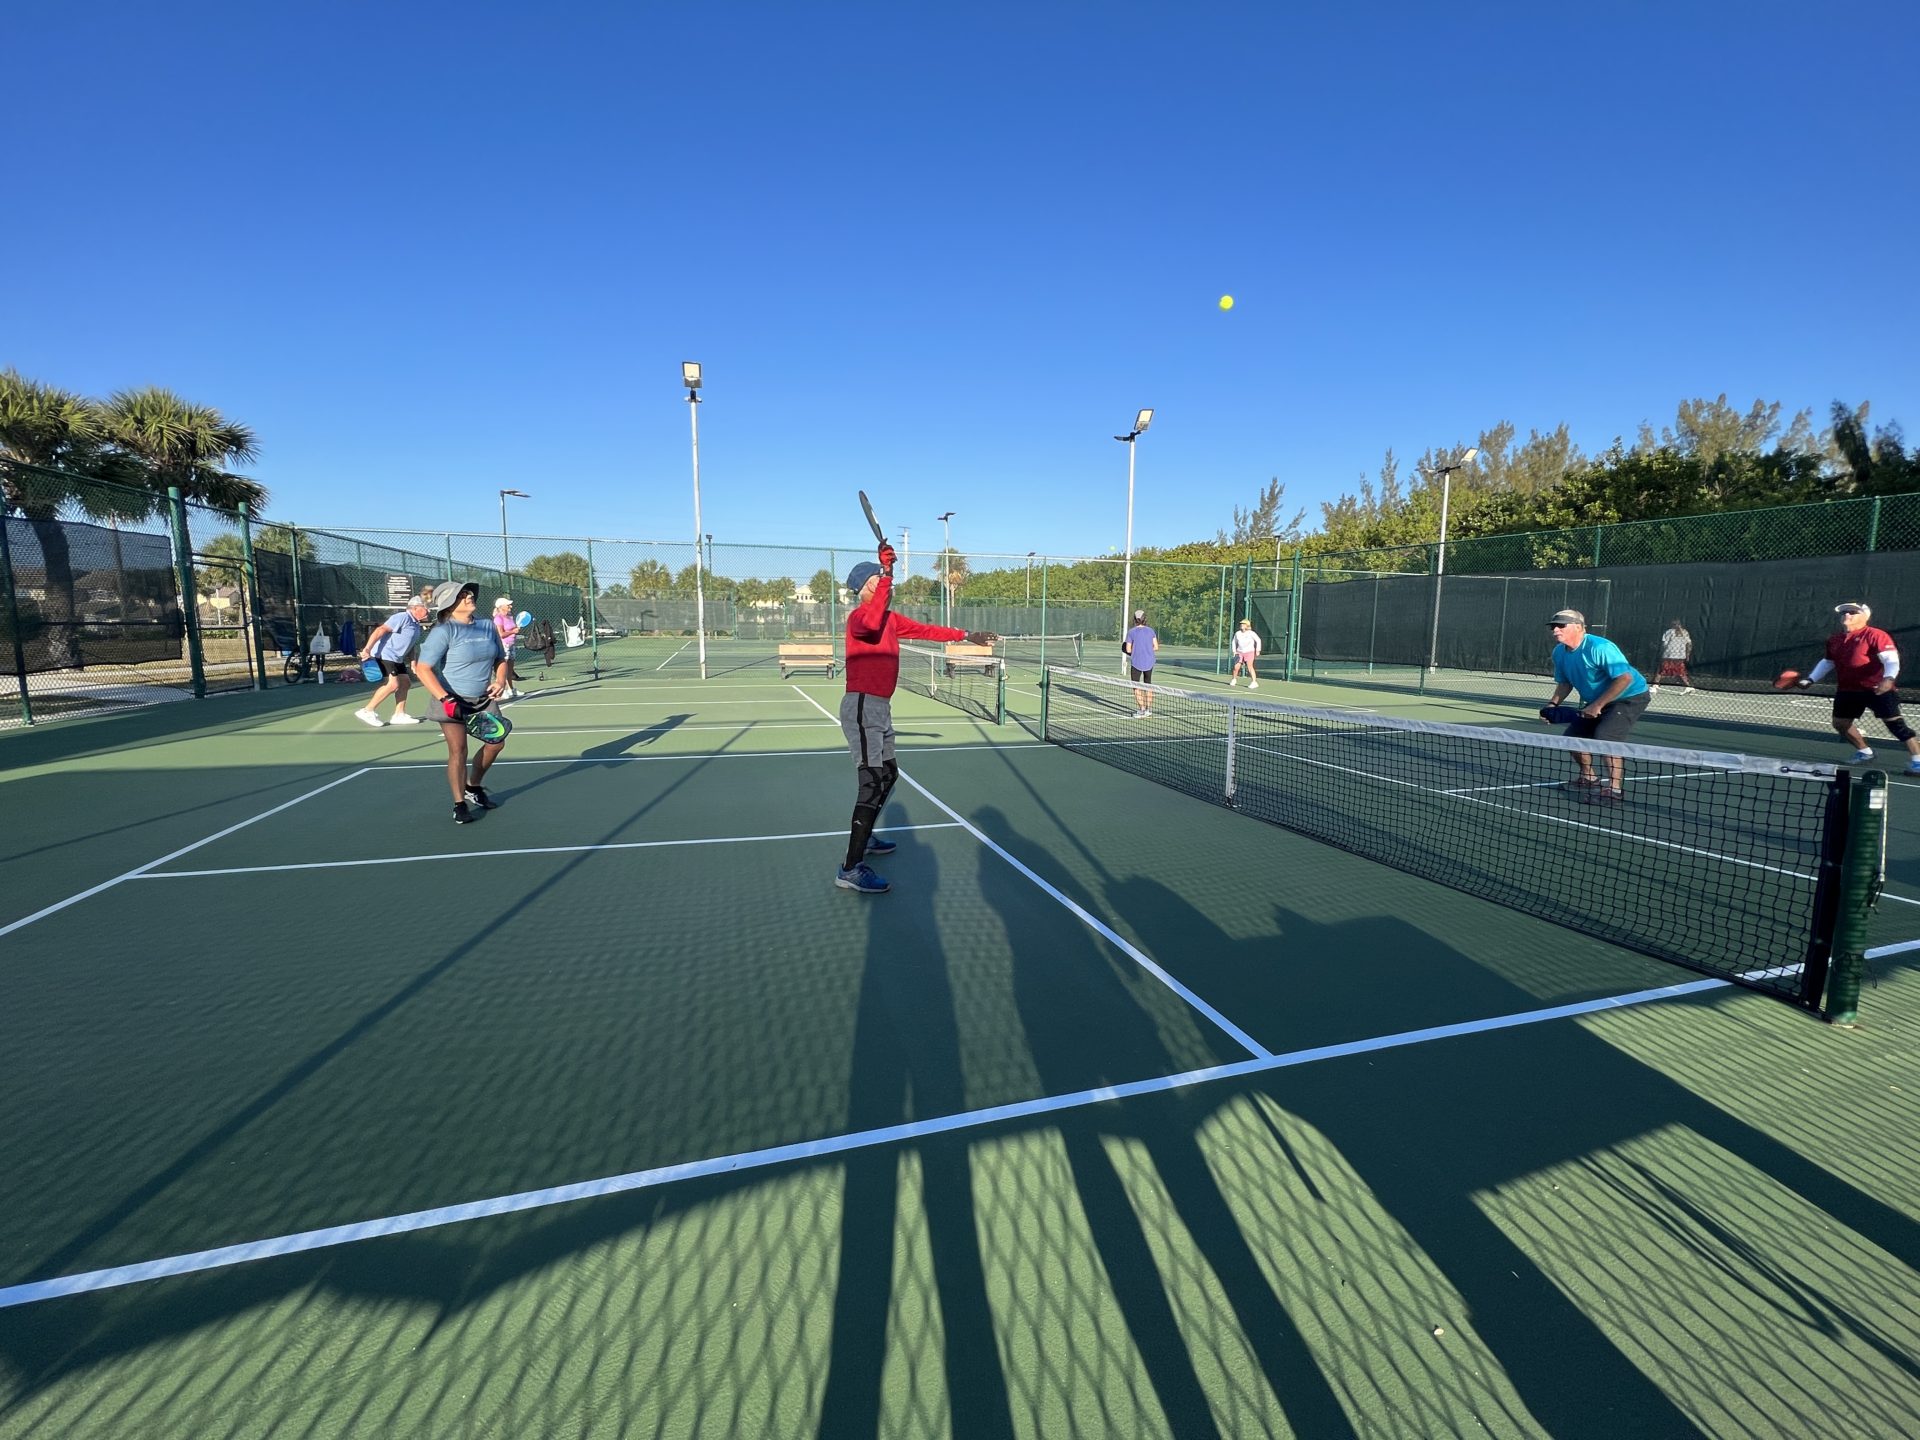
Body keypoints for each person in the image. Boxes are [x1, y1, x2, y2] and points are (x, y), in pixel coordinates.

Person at [835, 544, 998, 894]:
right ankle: (850, 868)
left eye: (884, 581)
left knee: (889, 774)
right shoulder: (860, 619)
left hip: (880, 707)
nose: (885, 586)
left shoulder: (890, 619)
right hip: (862, 705)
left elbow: (927, 631)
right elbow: (873, 617)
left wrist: (967, 635)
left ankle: (867, 838)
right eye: (877, 582)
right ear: (865, 589)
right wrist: (888, 574)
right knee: (871, 780)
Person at [414, 580, 512, 824]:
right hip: (450, 698)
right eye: (463, 595)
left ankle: (473, 785)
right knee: (458, 750)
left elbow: (500, 658)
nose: (469, 597)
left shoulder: (487, 626)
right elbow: (423, 669)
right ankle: (459, 804)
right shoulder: (443, 631)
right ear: (450, 605)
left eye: (469, 593)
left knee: (496, 743)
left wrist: (499, 680)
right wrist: (445, 698)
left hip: (483, 699)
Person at [1792, 601, 1920, 774]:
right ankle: (1865, 752)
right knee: (1840, 723)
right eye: (1844, 613)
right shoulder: (1835, 639)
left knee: (1896, 725)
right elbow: (1828, 662)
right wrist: (1810, 679)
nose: (1847, 615)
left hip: (1877, 689)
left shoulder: (1876, 635)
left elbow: (1891, 659)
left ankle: (1917, 760)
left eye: (1853, 612)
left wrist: (1888, 679)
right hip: (1848, 690)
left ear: (1864, 617)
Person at [1543, 608, 1650, 805]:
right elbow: (1565, 682)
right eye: (1553, 627)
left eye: (1561, 626)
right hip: (1595, 700)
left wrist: (1598, 705)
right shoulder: (1559, 652)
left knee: (1606, 737)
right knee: (1572, 738)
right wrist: (1552, 704)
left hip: (1629, 696)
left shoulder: (1600, 647)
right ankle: (1589, 777)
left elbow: (1624, 678)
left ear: (1579, 627)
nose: (1555, 630)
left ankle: (1614, 789)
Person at [353, 595, 431, 726]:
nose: (428, 611)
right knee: (393, 684)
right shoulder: (402, 617)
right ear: (415, 608)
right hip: (385, 655)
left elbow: (411, 646)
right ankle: (367, 710)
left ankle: (399, 715)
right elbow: (380, 630)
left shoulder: (416, 624)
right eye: (426, 608)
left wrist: (413, 663)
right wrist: (367, 649)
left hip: (396, 658)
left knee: (405, 683)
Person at [1122, 609, 1158, 717]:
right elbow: (1156, 647)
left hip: (1136, 662)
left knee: (1136, 686)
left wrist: (1136, 649)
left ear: (1134, 619)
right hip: (1149, 662)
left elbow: (1128, 650)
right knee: (1148, 685)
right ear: (1144, 619)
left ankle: (1142, 710)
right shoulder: (1151, 631)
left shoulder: (1131, 632)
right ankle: (1148, 710)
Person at [1651, 619, 1694, 694]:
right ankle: (1688, 686)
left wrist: (1661, 652)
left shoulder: (1669, 632)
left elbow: (1664, 644)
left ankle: (1654, 686)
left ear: (1672, 624)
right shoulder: (1685, 632)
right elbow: (1689, 644)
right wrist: (1687, 655)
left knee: (1661, 670)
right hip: (1680, 656)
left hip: (1669, 655)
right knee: (1680, 672)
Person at [492, 597, 522, 700]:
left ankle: (511, 690)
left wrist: (516, 630)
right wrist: (513, 631)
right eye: (508, 605)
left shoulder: (510, 616)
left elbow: (512, 629)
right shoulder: (498, 618)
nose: (510, 606)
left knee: (510, 669)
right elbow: (501, 634)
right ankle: (502, 691)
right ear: (501, 607)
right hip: (503, 645)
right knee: (502, 670)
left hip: (512, 644)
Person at [1229, 617, 1262, 689]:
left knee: (1250, 667)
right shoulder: (1237, 633)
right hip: (1239, 652)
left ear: (1247, 626)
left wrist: (1258, 650)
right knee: (1236, 667)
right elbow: (1234, 642)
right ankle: (1234, 679)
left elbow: (1258, 640)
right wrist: (1234, 651)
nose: (1241, 625)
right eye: (1241, 624)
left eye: (1243, 624)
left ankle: (1254, 682)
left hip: (1249, 652)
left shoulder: (1251, 633)